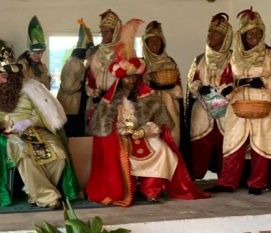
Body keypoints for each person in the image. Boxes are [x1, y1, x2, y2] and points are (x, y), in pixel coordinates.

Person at [85, 19, 209, 206]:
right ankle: (126, 189)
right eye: (127, 78)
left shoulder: (148, 96)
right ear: (120, 80)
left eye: (134, 78)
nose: (131, 82)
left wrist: (145, 131)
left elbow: (159, 123)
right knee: (118, 152)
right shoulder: (110, 100)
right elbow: (103, 128)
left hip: (143, 135)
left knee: (164, 150)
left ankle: (151, 189)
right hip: (120, 138)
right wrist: (121, 131)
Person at [0, 47, 79, 208]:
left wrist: (29, 122)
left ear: (13, 76)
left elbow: (45, 114)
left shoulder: (32, 88)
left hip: (35, 130)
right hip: (8, 134)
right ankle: (47, 197)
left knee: (58, 152)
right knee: (24, 153)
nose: (1, 81)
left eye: (4, 77)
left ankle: (35, 189)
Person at [207, 8, 271, 195]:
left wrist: (264, 82)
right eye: (251, 33)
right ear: (242, 34)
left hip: (263, 103)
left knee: (262, 143)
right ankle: (227, 182)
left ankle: (257, 183)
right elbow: (226, 79)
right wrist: (226, 89)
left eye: (259, 32)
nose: (255, 36)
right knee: (232, 142)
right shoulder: (233, 56)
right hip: (238, 103)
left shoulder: (269, 55)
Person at [186, 13, 234, 179]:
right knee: (199, 142)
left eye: (216, 34)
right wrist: (199, 88)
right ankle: (195, 175)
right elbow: (191, 81)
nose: (210, 37)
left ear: (225, 38)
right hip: (202, 108)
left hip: (225, 109)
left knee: (225, 143)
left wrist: (228, 89)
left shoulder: (233, 59)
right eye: (209, 33)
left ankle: (225, 178)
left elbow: (238, 80)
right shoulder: (199, 58)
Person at [141, 21, 183, 146]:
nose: (155, 44)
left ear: (162, 43)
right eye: (151, 41)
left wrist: (171, 88)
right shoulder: (141, 64)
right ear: (146, 44)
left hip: (169, 104)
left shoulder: (170, 62)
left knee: (171, 135)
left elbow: (178, 88)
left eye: (158, 41)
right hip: (148, 106)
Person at [83, 9, 122, 125]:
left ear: (115, 32)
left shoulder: (123, 51)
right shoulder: (95, 52)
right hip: (97, 100)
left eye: (106, 32)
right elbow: (90, 75)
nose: (103, 35)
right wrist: (93, 92)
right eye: (101, 32)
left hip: (117, 102)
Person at [57, 19, 93, 137]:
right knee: (72, 132)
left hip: (73, 106)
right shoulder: (75, 63)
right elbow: (68, 86)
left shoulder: (78, 62)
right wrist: (83, 85)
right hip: (71, 106)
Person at [17, 15, 52, 89]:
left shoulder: (42, 66)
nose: (40, 56)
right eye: (37, 53)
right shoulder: (22, 66)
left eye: (42, 53)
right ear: (29, 52)